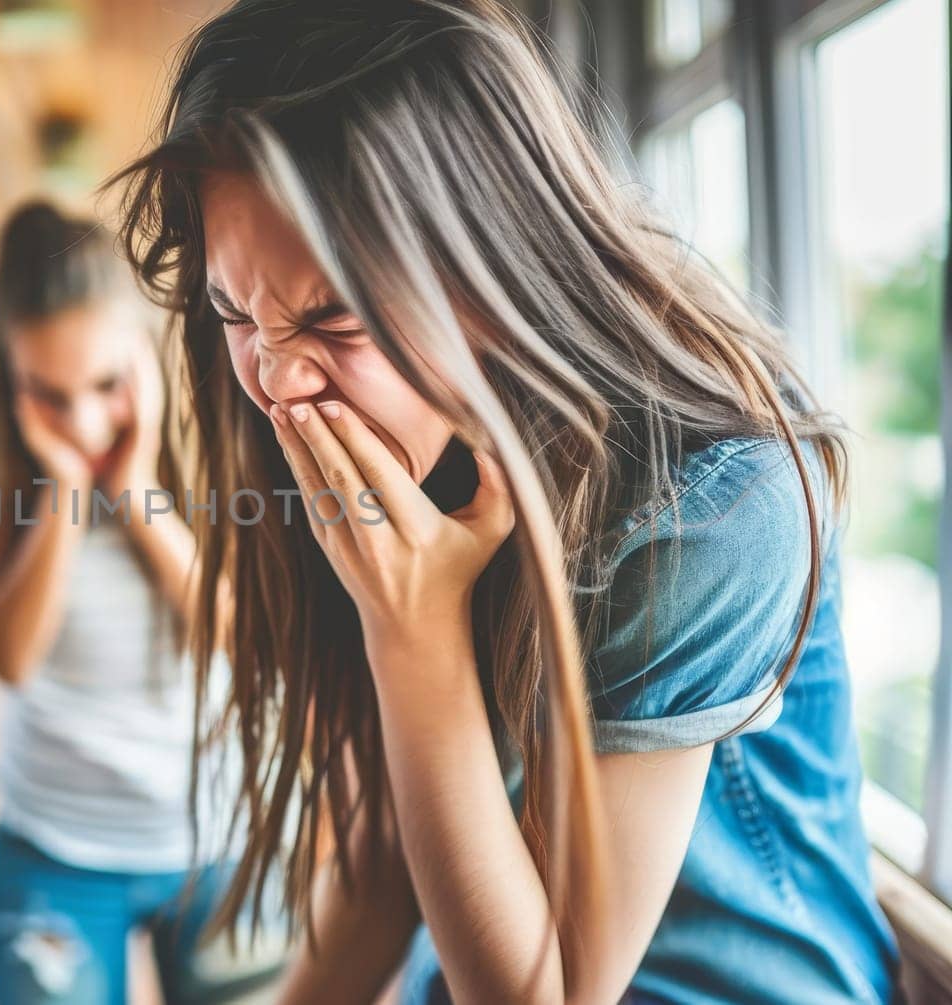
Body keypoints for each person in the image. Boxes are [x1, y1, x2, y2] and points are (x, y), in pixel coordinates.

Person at [113, 2, 900, 1002]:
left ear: (495, 268)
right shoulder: (381, 421)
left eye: (332, 317)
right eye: (231, 310)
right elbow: (384, 856)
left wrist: (416, 636)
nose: (273, 383)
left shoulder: (714, 492)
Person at [0, 200, 284, 1005]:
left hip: (222, 840)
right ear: (6, 364)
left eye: (104, 384)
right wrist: (63, 487)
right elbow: (8, 656)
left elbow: (244, 639)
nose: (85, 420)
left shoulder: (217, 408)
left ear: (145, 344)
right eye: (48, 393)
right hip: (55, 848)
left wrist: (136, 495)